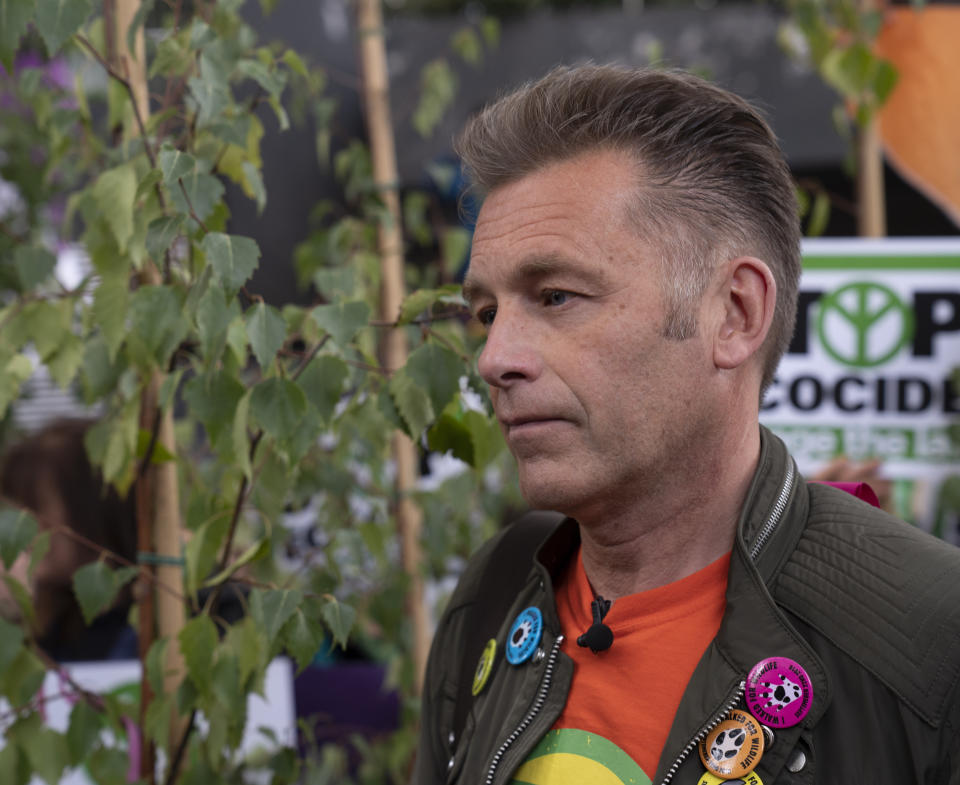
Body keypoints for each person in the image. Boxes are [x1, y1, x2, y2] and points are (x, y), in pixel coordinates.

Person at [412, 64, 960, 785]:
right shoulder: (499, 587)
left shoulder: (932, 638)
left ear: (734, 313)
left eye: (555, 296)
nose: (495, 357)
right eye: (487, 312)